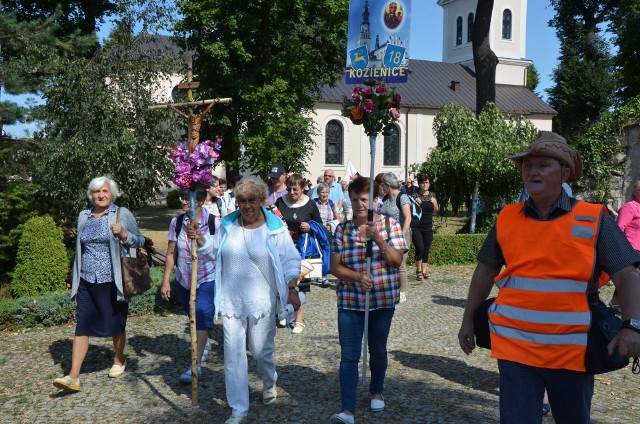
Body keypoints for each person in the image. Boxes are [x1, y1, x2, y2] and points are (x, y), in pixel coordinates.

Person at [457, 131, 640, 424]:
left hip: (571, 352)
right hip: (516, 350)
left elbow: (627, 274)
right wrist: (467, 318)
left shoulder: (594, 218)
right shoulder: (507, 218)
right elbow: (485, 270)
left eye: (543, 165)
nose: (531, 171)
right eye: (527, 165)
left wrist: (632, 326)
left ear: (564, 173)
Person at [207, 176, 301, 424]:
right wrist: (198, 239)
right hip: (231, 300)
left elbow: (291, 259)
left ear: (261, 200)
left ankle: (269, 380)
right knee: (233, 355)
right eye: (241, 201)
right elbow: (212, 249)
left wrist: (292, 285)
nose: (246, 205)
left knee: (260, 351)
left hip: (262, 300)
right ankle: (238, 409)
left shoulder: (275, 229)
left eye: (252, 200)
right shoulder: (227, 226)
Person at [53, 176, 145, 392]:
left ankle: (119, 359)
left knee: (116, 323)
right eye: (96, 192)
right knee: (82, 324)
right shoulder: (83, 216)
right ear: (91, 195)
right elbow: (80, 247)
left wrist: (123, 234)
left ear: (112, 193)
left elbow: (140, 240)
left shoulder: (122, 214)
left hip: (113, 279)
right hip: (86, 279)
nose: (101, 195)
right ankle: (73, 377)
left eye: (104, 191)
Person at [329, 176, 408, 424]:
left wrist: (379, 240)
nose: (360, 204)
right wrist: (357, 276)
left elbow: (396, 262)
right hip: (351, 300)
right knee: (349, 354)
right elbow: (334, 267)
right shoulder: (343, 229)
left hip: (382, 299)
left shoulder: (390, 225)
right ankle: (347, 409)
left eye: (364, 199)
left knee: (378, 348)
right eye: (355, 199)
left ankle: (377, 391)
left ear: (373, 200)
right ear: (349, 200)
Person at [160, 189, 218, 382]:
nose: (182, 200)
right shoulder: (176, 222)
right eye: (182, 197)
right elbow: (171, 253)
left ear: (199, 200)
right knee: (192, 315)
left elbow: (218, 253)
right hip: (184, 279)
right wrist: (166, 279)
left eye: (187, 197)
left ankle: (196, 365)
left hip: (207, 278)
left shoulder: (213, 223)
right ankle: (204, 342)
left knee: (201, 315)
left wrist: (201, 238)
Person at [275, 173, 323, 334]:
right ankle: (284, 311)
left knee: (301, 285)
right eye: (289, 189)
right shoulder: (281, 202)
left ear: (303, 188)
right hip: (283, 249)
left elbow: (320, 226)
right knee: (282, 283)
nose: (292, 193)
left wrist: (310, 227)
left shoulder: (310, 205)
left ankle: (299, 319)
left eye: (295, 189)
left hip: (303, 250)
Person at [378, 172, 412, 302]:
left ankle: (403, 291)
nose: (381, 187)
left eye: (382, 185)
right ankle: (390, 287)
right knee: (388, 262)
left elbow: (408, 217)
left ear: (387, 185)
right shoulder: (386, 198)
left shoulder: (402, 197)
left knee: (400, 263)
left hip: (401, 235)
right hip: (387, 235)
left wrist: (402, 236)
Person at [612, 180, 640, 311]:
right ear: (635, 192)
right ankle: (616, 303)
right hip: (631, 249)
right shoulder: (630, 207)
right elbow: (619, 228)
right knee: (628, 279)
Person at [412, 174, 439, 281]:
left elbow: (435, 211)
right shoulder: (415, 195)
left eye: (427, 182)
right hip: (417, 226)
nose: (425, 184)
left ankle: (424, 272)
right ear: (419, 184)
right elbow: (413, 210)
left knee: (426, 249)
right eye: (423, 182)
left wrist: (435, 203)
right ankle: (418, 271)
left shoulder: (432, 195)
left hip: (428, 226)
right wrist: (420, 203)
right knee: (420, 247)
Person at [314, 182, 341, 286]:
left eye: (326, 192)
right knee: (318, 252)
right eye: (322, 192)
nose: (324, 194)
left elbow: (338, 217)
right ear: (318, 193)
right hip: (317, 230)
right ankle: (318, 273)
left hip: (328, 230)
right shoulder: (314, 203)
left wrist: (331, 225)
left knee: (327, 252)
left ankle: (324, 274)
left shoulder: (332, 203)